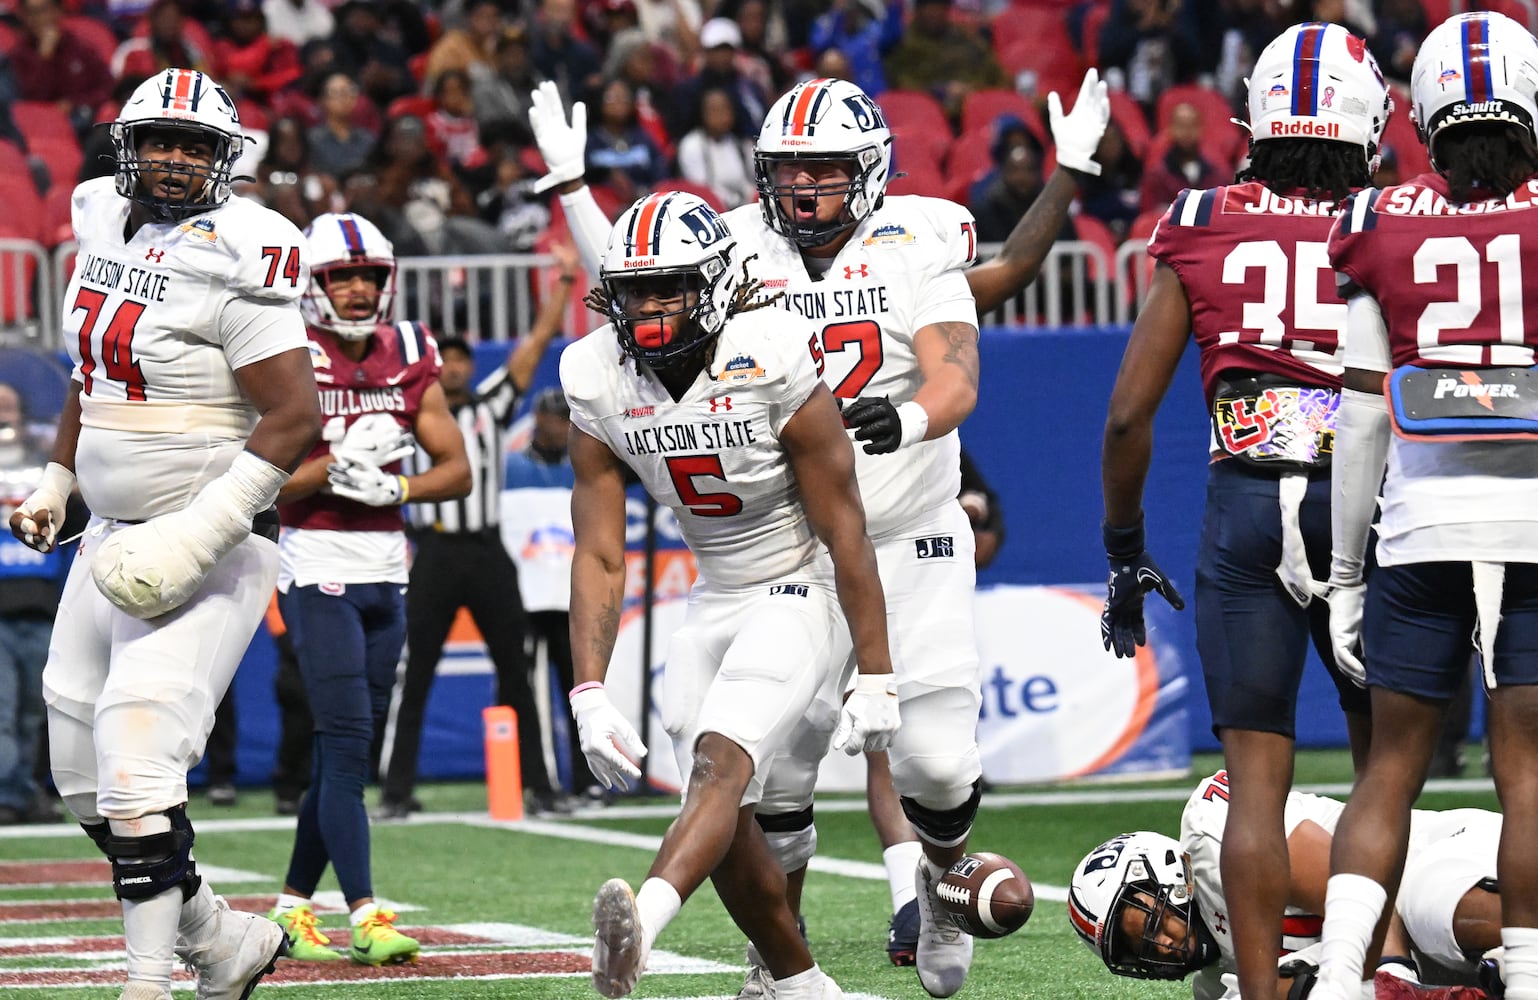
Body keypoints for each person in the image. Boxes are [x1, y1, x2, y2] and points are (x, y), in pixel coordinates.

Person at [531, 69, 1111, 998]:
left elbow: (967, 346)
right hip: (795, 549)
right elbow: (646, 291)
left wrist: (913, 418)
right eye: (789, 170)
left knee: (934, 764)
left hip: (907, 527)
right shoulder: (739, 244)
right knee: (776, 776)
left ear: (872, 166)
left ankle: (937, 871)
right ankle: (777, 963)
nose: (803, 187)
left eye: (826, 168)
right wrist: (571, 194)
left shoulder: (917, 235)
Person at [10, 66, 322, 1000]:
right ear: (129, 149)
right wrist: (61, 479)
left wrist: (197, 536)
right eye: (162, 142)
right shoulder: (99, 215)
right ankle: (222, 940)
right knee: (78, 778)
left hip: (209, 546)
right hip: (105, 532)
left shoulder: (244, 249)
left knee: (138, 766)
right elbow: (87, 373)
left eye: (197, 146)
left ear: (224, 160)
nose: (178, 160)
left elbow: (295, 416)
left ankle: (149, 982)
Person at [1098, 23, 1390, 1000]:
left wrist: (1121, 546)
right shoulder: (1396, 214)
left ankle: (1261, 994)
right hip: (1365, 504)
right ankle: (1373, 970)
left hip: (1245, 507)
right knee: (1377, 770)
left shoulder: (1195, 217)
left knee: (1254, 784)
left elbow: (1128, 414)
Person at [565, 189, 899, 1000]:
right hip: (712, 592)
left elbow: (845, 525)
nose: (647, 307)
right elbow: (600, 551)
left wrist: (878, 671)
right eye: (634, 289)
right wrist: (586, 689)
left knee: (721, 759)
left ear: (714, 282)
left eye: (667, 286)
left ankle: (637, 926)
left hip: (801, 580)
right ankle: (800, 985)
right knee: (724, 808)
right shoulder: (594, 372)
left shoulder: (771, 349)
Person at [1311, 13, 1538, 1000]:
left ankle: (1332, 979)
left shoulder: (1374, 222)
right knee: (1524, 773)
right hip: (1533, 522)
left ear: (1420, 110)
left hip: (1417, 524)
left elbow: (1359, 417)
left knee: (1387, 768)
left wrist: (1345, 572)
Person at [266, 210, 471, 967]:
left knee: (341, 757)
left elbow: (459, 467)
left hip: (387, 566)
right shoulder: (285, 353)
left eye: (368, 277)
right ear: (312, 285)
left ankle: (290, 908)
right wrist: (334, 465)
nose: (356, 290)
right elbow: (262, 483)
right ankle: (365, 913)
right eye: (341, 277)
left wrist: (394, 489)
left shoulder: (411, 349)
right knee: (349, 747)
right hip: (316, 559)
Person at [377, 247, 579, 821]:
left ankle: (542, 787)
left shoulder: (492, 405)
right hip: (435, 550)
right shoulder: (410, 412)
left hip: (488, 550)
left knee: (518, 671)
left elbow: (535, 345)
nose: (458, 368)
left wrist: (564, 280)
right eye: (448, 360)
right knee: (414, 672)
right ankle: (395, 792)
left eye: (464, 359)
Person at [1068, 769, 1506, 1000]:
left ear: (1170, 876)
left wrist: (1389, 979)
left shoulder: (1216, 837)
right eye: (1136, 951)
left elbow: (1363, 882)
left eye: (1151, 925)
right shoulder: (1215, 984)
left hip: (1446, 859)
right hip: (1439, 963)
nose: (1160, 947)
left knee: (1422, 906)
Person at [501, 386, 597, 800]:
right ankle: (542, 782)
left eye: (567, 420)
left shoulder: (583, 468)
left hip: (571, 596)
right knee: (532, 692)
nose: (561, 427)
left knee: (583, 692)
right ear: (538, 420)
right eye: (556, 419)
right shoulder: (509, 470)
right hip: (527, 595)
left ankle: (587, 779)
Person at [0, 381, 82, 826]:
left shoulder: (45, 462)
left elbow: (76, 512)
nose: (3, 418)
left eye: (9, 409)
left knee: (36, 714)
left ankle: (28, 792)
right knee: (2, 713)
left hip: (41, 605)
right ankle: (8, 796)